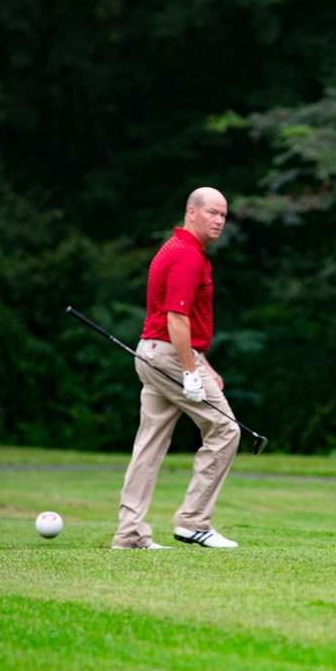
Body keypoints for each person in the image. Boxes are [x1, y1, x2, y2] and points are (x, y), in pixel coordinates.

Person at [111, 187, 242, 550]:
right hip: (169, 356)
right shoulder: (187, 256)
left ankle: (129, 534)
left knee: (149, 446)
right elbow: (176, 317)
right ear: (191, 212)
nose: (218, 221)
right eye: (212, 213)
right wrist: (190, 371)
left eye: (223, 215)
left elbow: (180, 322)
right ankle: (193, 522)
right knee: (226, 430)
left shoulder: (177, 248)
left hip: (153, 353)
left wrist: (203, 363)